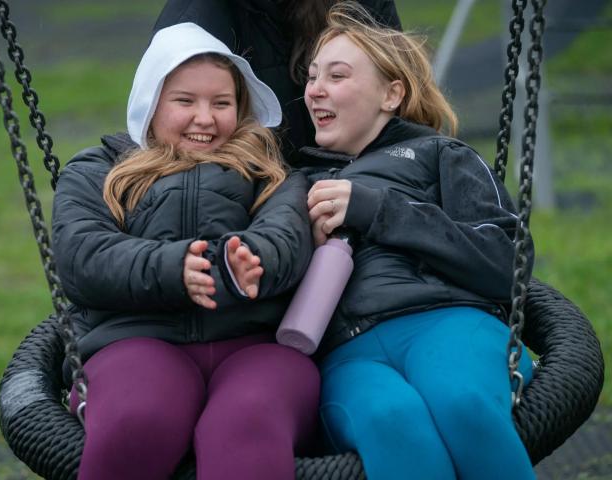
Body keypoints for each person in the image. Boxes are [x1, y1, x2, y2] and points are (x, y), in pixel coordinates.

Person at [51, 22, 318, 480]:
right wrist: (173, 267)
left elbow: (286, 236)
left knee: (246, 427)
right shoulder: (99, 172)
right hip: (136, 340)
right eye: (185, 101)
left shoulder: (270, 172)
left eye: (221, 103)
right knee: (137, 420)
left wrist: (250, 262)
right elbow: (83, 256)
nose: (205, 119)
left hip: (257, 344)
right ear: (151, 104)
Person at [298, 3, 537, 479]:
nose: (314, 91)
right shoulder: (296, 181)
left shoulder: (438, 155)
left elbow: (508, 262)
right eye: (311, 77)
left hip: (448, 322)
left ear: (391, 94)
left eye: (337, 76)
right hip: (350, 350)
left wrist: (379, 211)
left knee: (461, 402)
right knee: (392, 422)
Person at [151, 0, 402, 165]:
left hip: (364, 185)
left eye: (337, 75)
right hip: (256, 199)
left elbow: (402, 103)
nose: (315, 91)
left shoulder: (361, 6)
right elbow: (170, 139)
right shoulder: (195, 19)